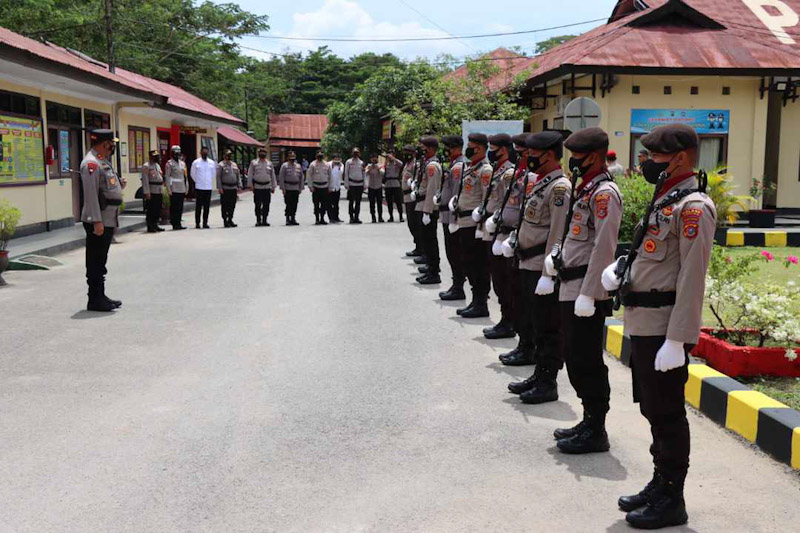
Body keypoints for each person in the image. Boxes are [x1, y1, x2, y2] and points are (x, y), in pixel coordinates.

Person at [602, 124, 715, 530]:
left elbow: (691, 277)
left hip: (664, 326)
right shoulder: (667, 197)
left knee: (667, 412)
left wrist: (677, 338)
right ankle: (659, 482)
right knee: (652, 407)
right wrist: (622, 270)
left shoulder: (694, 207)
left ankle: (673, 497)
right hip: (644, 320)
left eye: (653, 156)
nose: (646, 162)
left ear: (680, 157)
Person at [543, 127, 622, 455]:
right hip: (570, 283)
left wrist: (590, 293)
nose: (572, 161)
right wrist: (556, 256)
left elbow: (604, 245)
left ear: (594, 156)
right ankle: (588, 420)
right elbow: (573, 233)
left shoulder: (604, 193)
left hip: (584, 291)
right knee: (574, 356)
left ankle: (596, 428)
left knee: (586, 358)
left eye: (577, 155)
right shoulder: (585, 187)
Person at [506, 131, 571, 401]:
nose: (528, 157)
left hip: (540, 268)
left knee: (547, 326)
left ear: (548, 154)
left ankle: (548, 382)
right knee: (535, 322)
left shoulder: (559, 188)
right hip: (527, 262)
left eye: (533, 153)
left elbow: (557, 234)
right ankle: (539, 374)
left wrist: (549, 273)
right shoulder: (543, 183)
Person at [497, 134, 536, 365]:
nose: (519, 156)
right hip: (513, 241)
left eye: (523, 153)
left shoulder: (535, 179)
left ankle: (528, 347)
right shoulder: (520, 175)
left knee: (525, 302)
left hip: (531, 251)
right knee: (511, 291)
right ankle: (523, 343)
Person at [80, 129, 124, 312]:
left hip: (107, 218)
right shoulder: (91, 163)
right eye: (111, 143)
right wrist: (96, 221)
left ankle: (100, 295)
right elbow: (90, 196)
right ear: (104, 143)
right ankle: (95, 299)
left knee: (101, 259)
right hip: (99, 220)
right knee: (96, 260)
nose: (113, 146)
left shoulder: (102, 161)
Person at [480, 133, 516, 338]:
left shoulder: (508, 173)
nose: (490, 152)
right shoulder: (497, 170)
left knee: (504, 280)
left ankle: (508, 321)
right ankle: (505, 319)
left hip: (503, 232)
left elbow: (509, 204)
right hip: (493, 228)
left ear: (503, 150)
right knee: (498, 279)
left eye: (493, 148)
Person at [454, 133, 493, 318]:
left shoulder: (485, 170)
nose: (468, 150)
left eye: (471, 146)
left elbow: (487, 198)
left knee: (478, 265)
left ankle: (481, 303)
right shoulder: (470, 168)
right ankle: (475, 300)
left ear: (480, 148)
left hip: (474, 224)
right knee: (468, 263)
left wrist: (482, 227)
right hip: (464, 222)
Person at [438, 135, 468, 301]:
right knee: (452, 253)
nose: (446, 150)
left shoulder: (458, 166)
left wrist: (455, 219)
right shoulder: (454, 164)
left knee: (455, 253)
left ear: (455, 147)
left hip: (452, 217)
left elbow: (456, 194)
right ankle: (456, 285)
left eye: (448, 147)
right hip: (446, 215)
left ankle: (458, 287)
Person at [415, 136, 442, 285]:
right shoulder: (427, 163)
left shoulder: (432, 166)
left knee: (430, 240)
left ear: (431, 148)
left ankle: (434, 272)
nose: (421, 150)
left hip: (428, 208)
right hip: (423, 205)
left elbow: (432, 190)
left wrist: (427, 211)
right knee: (426, 240)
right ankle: (431, 267)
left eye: (423, 147)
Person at [402, 145, 424, 258]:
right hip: (406, 196)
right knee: (411, 223)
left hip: (412, 197)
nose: (405, 154)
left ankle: (421, 248)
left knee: (415, 223)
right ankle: (418, 246)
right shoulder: (407, 164)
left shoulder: (417, 164)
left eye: (407, 152)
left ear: (413, 153)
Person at [248, 147, 276, 227]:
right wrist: (250, 185)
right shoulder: (254, 163)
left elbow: (272, 175)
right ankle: (258, 220)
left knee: (266, 204)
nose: (262, 154)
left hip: (267, 187)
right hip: (257, 187)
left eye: (264, 153)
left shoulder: (269, 163)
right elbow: (250, 174)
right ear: (258, 154)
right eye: (261, 153)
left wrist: (273, 186)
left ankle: (264, 220)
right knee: (257, 204)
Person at [191, 146, 216, 229]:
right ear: (200, 152)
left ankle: (205, 222)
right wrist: (198, 181)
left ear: (208, 152)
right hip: (199, 187)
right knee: (198, 206)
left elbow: (213, 174)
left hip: (208, 187)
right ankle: (197, 223)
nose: (205, 153)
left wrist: (207, 181)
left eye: (206, 152)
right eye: (203, 152)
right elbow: (193, 174)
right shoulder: (196, 162)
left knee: (207, 207)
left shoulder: (211, 162)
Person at [164, 145, 188, 230]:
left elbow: (185, 176)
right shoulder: (169, 163)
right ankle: (174, 223)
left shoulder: (182, 163)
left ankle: (179, 222)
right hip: (174, 188)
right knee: (174, 207)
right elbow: (167, 177)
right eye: (175, 153)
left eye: (178, 153)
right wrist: (168, 189)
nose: (177, 155)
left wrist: (186, 187)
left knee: (180, 207)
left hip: (181, 187)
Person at [141, 149, 165, 233]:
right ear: (151, 157)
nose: (157, 158)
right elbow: (145, 180)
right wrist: (147, 192)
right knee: (151, 209)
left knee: (158, 209)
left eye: (157, 156)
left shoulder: (157, 165)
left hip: (159, 189)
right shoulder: (146, 166)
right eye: (155, 156)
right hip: (152, 190)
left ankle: (155, 224)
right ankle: (150, 226)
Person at [216, 149, 242, 227]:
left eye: (230, 155)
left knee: (232, 205)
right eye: (227, 155)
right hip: (225, 188)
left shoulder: (234, 164)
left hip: (233, 188)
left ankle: (230, 219)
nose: (229, 156)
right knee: (225, 205)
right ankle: (225, 220)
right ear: (224, 156)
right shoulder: (221, 165)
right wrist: (219, 188)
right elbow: (218, 177)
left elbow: (238, 175)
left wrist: (239, 185)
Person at [278, 151, 304, 226]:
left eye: (293, 158)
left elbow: (301, 177)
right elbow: (281, 177)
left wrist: (300, 188)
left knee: (295, 204)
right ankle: (287, 218)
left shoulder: (298, 166)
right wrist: (283, 188)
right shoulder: (284, 166)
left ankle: (293, 218)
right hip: (287, 187)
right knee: (288, 204)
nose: (292, 159)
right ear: (288, 158)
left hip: (295, 187)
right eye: (291, 158)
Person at [306, 150, 332, 225]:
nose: (320, 157)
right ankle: (317, 219)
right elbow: (309, 176)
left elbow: (330, 176)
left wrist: (330, 187)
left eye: (321, 156)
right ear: (316, 156)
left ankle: (322, 218)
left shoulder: (327, 164)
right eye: (318, 156)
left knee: (324, 204)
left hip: (325, 187)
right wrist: (310, 186)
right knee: (316, 204)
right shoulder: (312, 164)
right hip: (316, 187)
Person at [344, 148, 365, 224]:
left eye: (357, 153)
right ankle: (351, 217)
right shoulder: (348, 162)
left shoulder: (361, 162)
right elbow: (346, 173)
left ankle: (357, 217)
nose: (355, 154)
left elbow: (364, 174)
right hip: (351, 184)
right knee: (351, 202)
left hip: (359, 184)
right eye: (354, 153)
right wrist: (346, 184)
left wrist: (364, 184)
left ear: (359, 153)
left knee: (358, 202)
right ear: (352, 153)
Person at [383, 150, 404, 222]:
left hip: (396, 183)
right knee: (389, 202)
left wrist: (393, 158)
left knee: (398, 201)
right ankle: (391, 216)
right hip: (388, 184)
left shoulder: (396, 162)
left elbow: (401, 164)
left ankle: (400, 216)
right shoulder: (387, 163)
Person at [366, 154, 384, 223]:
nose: (374, 160)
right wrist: (369, 169)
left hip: (378, 187)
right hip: (371, 187)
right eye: (372, 159)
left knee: (379, 203)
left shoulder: (380, 165)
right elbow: (365, 173)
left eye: (375, 159)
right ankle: (373, 217)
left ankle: (380, 217)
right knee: (372, 203)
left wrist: (378, 168)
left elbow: (383, 173)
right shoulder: (368, 166)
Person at [328, 155, 344, 223]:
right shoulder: (328, 164)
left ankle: (336, 217)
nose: (337, 160)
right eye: (335, 158)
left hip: (337, 186)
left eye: (338, 158)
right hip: (330, 187)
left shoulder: (341, 165)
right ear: (333, 159)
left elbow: (341, 174)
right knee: (329, 204)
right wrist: (332, 166)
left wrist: (339, 167)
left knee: (336, 204)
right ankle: (331, 218)